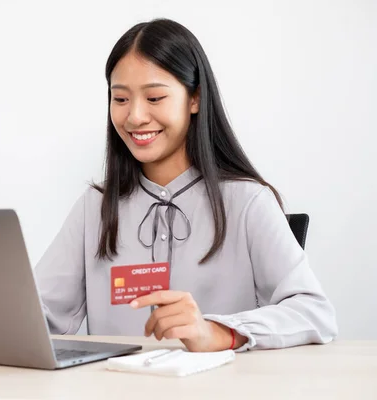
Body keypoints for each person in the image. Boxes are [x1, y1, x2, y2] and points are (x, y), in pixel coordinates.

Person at [34, 18, 337, 352]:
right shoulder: (96, 207)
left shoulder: (248, 201)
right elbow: (38, 315)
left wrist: (218, 332)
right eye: (120, 99)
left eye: (154, 98)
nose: (134, 116)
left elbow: (314, 313)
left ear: (194, 99)